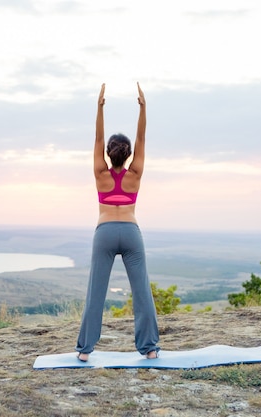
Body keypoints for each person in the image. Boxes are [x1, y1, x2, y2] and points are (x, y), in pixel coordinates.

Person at [76, 83, 160, 362]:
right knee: (142, 293)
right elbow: (142, 139)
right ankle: (149, 348)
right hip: (131, 232)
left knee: (95, 293)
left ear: (110, 154)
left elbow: (97, 139)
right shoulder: (135, 172)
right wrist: (143, 108)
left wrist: (99, 108)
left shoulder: (100, 172)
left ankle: (85, 351)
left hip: (105, 232)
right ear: (127, 155)